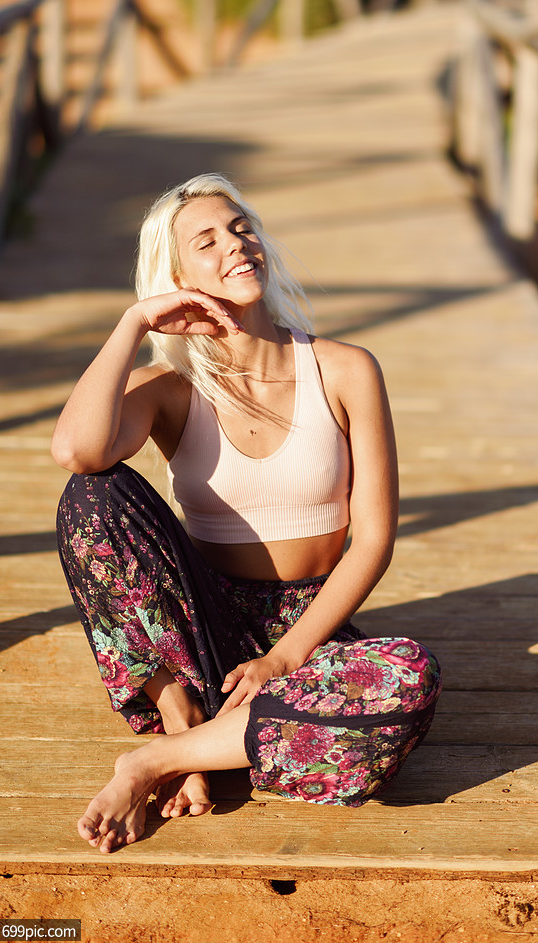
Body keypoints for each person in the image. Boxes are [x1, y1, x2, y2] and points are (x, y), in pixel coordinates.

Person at [52, 173, 441, 854]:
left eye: (240, 228)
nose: (236, 244)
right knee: (91, 496)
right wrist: (135, 321)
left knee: (408, 677)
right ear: (177, 278)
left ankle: (162, 757)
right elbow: (77, 452)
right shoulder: (171, 388)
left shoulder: (346, 370)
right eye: (206, 241)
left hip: (307, 628)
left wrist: (283, 658)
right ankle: (187, 719)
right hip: (197, 625)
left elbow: (373, 540)